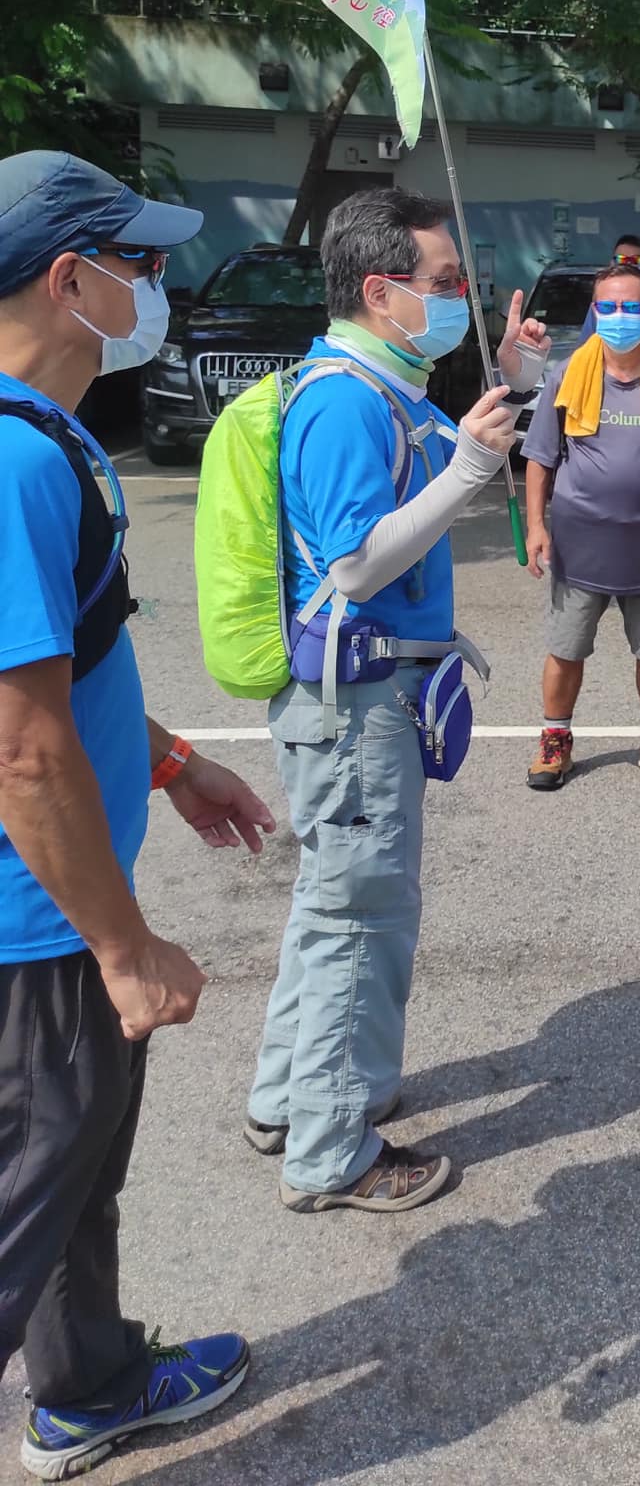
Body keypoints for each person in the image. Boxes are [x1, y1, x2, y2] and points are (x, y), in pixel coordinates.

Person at [0, 151, 278, 1479]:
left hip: (53, 911)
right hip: (35, 933)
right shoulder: (11, 463)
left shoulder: (40, 442)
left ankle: (93, 1386)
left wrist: (171, 766)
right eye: (143, 263)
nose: (157, 287)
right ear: (71, 279)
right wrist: (119, 947)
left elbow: (71, 678)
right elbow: (23, 747)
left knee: (80, 1169)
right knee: (34, 1185)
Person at [246, 189, 546, 1214]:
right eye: (445, 281)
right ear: (381, 289)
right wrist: (469, 467)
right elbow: (357, 564)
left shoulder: (383, 381)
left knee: (334, 908)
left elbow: (440, 448)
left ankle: (293, 1099)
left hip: (369, 695)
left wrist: (502, 381)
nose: (458, 294)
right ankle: (331, 1149)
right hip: (356, 699)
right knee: (359, 918)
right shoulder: (341, 398)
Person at [524, 261, 640, 794]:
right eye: (608, 306)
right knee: (566, 649)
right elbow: (540, 458)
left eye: (632, 306)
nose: (620, 316)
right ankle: (555, 741)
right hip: (578, 545)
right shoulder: (567, 375)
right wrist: (538, 525)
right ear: (594, 311)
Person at [577, 234, 640, 344]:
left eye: (635, 260)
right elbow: (585, 347)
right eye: (621, 259)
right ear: (612, 264)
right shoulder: (601, 306)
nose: (628, 265)